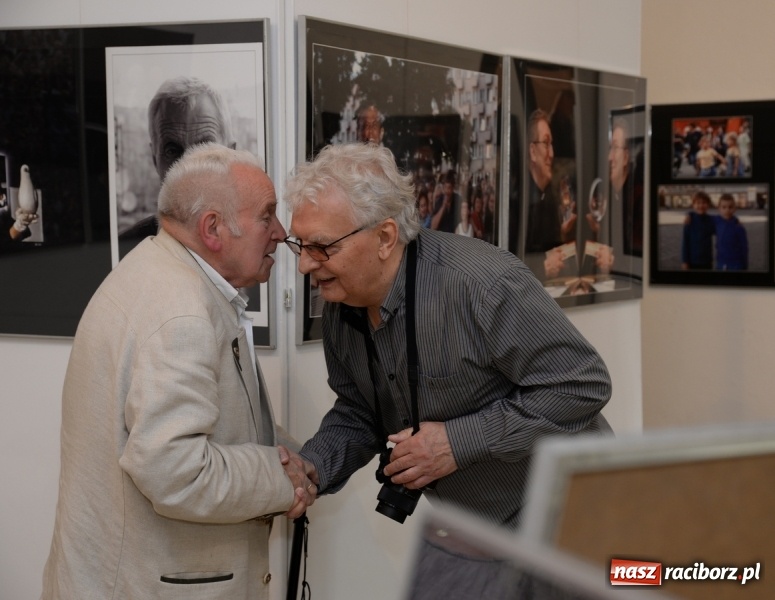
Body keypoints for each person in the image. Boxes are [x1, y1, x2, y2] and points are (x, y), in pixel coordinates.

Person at [283, 143, 612, 532]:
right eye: (299, 246)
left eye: (321, 247)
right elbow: (361, 409)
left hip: (576, 511)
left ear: (385, 238)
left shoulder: (483, 284)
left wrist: (457, 442)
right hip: (479, 530)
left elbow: (581, 384)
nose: (305, 264)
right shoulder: (342, 304)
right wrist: (313, 467)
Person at [41, 143, 317, 599]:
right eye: (267, 216)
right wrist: (279, 477)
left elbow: (214, 418)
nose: (280, 232)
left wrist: (299, 457)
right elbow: (175, 471)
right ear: (213, 228)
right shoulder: (181, 314)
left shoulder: (155, 269)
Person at [120, 76, 237, 242]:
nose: (188, 169)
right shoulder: (127, 250)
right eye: (173, 151)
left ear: (231, 154)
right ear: (155, 159)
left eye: (205, 148)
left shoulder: (259, 244)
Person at [681, 190, 715, 270]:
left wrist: (736, 221)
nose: (701, 205)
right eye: (698, 203)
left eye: (704, 203)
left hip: (707, 262)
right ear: (693, 205)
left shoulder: (711, 220)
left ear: (708, 205)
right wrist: (684, 261)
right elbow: (685, 242)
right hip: (692, 261)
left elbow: (723, 221)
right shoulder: (689, 220)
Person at [714, 193, 748, 270]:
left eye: (730, 207)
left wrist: (745, 265)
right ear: (719, 208)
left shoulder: (739, 227)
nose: (727, 210)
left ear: (735, 208)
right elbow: (703, 217)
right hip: (720, 263)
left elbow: (744, 248)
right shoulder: (716, 220)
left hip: (736, 264)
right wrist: (689, 214)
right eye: (724, 207)